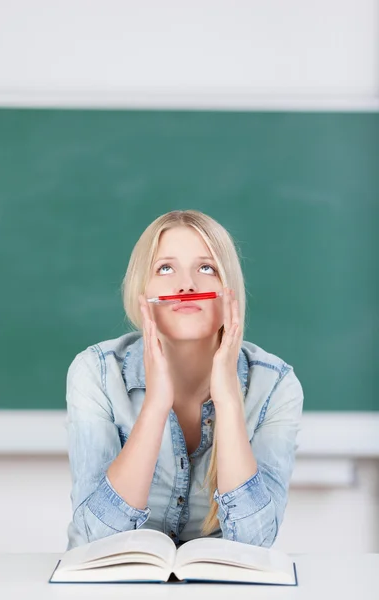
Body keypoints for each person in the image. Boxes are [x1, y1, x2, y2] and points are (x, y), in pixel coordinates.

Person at [65, 209, 303, 550]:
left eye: (206, 268)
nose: (187, 285)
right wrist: (155, 406)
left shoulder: (277, 385)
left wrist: (229, 403)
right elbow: (97, 540)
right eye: (165, 268)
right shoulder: (95, 373)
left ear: (228, 291)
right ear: (142, 291)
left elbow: (256, 542)